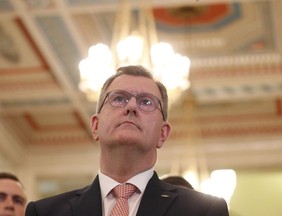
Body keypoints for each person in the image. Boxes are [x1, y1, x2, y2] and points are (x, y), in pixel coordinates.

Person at [25, 65, 229, 216]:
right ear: (95, 126)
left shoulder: (204, 210)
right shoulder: (44, 212)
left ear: (163, 133)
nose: (131, 107)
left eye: (146, 102)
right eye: (118, 98)